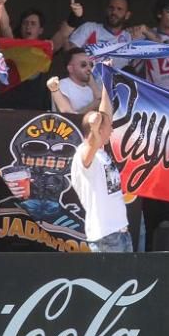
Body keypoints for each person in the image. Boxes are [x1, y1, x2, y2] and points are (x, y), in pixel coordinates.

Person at [70, 87, 132, 252]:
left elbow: (105, 114)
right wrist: (95, 129)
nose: (112, 130)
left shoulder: (100, 152)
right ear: (97, 130)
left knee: (130, 277)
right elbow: (89, 150)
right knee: (114, 278)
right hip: (106, 237)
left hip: (120, 232)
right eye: (108, 127)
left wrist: (106, 83)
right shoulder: (83, 152)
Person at [47, 48, 100, 114]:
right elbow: (68, 116)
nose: (89, 68)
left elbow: (100, 100)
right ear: (70, 69)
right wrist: (94, 105)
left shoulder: (93, 87)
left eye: (90, 65)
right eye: (83, 65)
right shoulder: (62, 85)